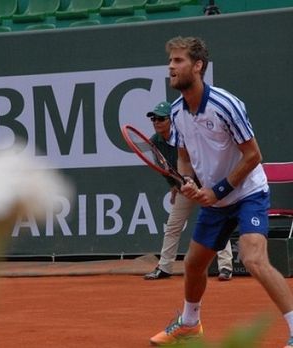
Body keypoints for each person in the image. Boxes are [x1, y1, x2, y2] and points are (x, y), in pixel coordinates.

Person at [150, 36, 293, 348]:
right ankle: (189, 324)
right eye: (170, 61)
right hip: (216, 200)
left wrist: (217, 190)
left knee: (253, 258)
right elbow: (185, 155)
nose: (171, 67)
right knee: (193, 264)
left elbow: (254, 155)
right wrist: (188, 181)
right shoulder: (176, 112)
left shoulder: (226, 105)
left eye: (178, 61)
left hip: (248, 192)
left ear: (198, 66)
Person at [143, 101, 233, 281]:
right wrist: (174, 186)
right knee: (173, 226)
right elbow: (164, 167)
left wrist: (207, 185)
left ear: (171, 120)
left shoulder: (187, 136)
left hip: (205, 183)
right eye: (154, 118)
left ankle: (225, 267)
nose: (156, 122)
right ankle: (165, 267)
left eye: (161, 118)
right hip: (184, 187)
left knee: (217, 222)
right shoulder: (155, 142)